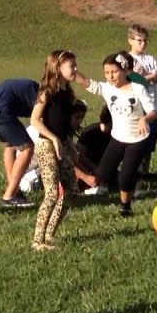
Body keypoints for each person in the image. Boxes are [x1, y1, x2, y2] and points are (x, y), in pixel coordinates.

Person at [28, 50, 89, 251]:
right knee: (52, 193)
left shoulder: (68, 94)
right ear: (58, 68)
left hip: (62, 146)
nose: (75, 70)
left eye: (75, 65)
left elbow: (64, 124)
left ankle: (49, 233)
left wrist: (69, 145)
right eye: (72, 66)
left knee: (72, 191)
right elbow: (35, 120)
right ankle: (38, 241)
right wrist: (53, 139)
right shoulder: (47, 93)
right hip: (46, 146)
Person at [84, 52, 157, 217]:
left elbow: (154, 111)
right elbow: (89, 83)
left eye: (114, 72)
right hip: (118, 138)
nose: (110, 76)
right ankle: (127, 177)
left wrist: (145, 119)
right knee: (102, 173)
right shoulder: (107, 88)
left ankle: (125, 207)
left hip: (138, 138)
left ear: (124, 71)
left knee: (125, 177)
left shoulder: (138, 89)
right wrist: (74, 75)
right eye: (107, 73)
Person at [0, 77, 41, 207]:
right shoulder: (43, 96)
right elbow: (40, 120)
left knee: (11, 146)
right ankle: (10, 196)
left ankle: (13, 189)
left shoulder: (33, 89)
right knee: (27, 148)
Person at [126, 24, 157, 182]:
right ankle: (134, 172)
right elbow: (129, 80)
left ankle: (145, 172)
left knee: (150, 143)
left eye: (145, 41)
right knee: (137, 142)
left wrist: (150, 75)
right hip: (137, 108)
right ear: (130, 40)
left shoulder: (150, 59)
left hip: (153, 106)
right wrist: (148, 77)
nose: (143, 44)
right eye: (139, 40)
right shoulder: (126, 60)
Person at [77, 107, 112, 194]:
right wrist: (94, 170)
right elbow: (79, 156)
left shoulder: (115, 134)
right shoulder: (90, 132)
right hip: (86, 168)